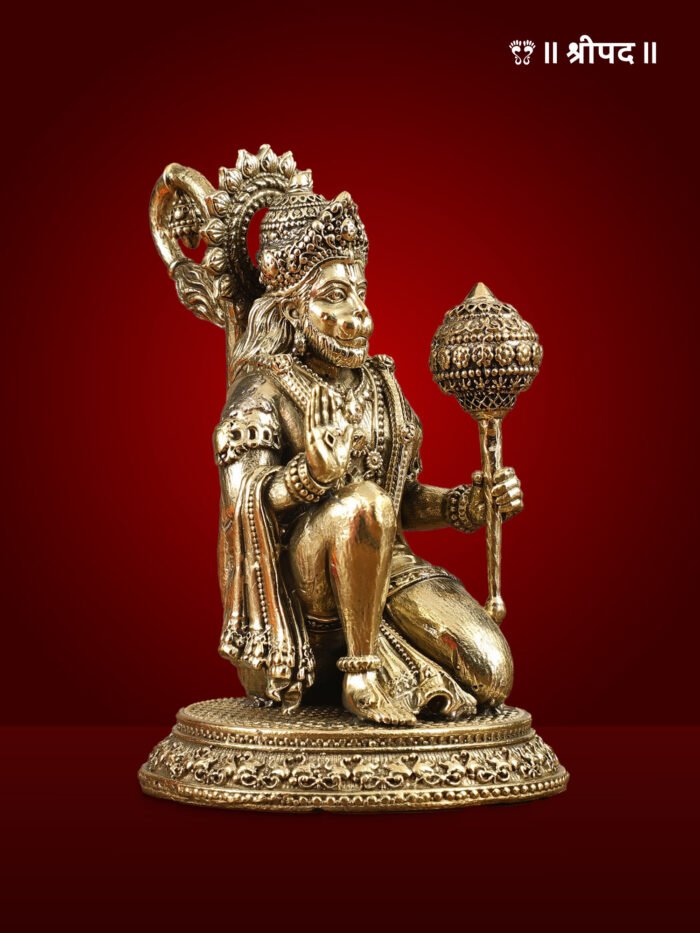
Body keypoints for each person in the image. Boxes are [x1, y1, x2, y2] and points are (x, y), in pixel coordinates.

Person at [214, 173, 523, 725]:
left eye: (359, 292)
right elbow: (243, 505)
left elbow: (400, 503)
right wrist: (310, 475)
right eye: (333, 297)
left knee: (491, 670)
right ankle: (359, 674)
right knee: (362, 502)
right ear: (291, 310)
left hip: (386, 563)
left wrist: (465, 505)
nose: (359, 313)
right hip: (303, 587)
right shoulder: (262, 390)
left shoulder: (381, 386)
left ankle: (391, 651)